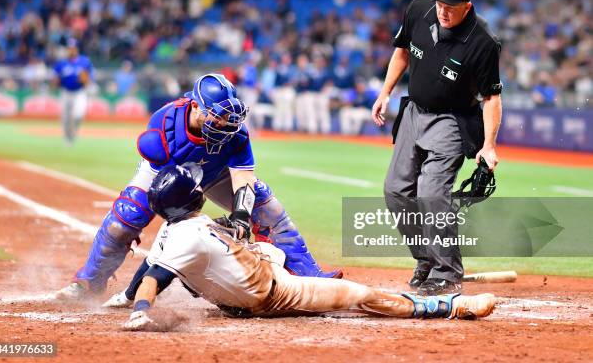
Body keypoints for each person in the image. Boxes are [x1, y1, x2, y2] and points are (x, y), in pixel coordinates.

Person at [102, 163, 495, 331]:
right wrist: (140, 310)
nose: (201, 186)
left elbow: (150, 267)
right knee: (358, 294)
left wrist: (128, 295)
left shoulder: (175, 230)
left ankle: (273, 258)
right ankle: (447, 306)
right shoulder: (184, 238)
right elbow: (155, 275)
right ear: (189, 198)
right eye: (195, 186)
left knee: (267, 247)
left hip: (261, 272)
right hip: (274, 294)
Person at [56, 73, 342, 301]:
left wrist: (242, 215)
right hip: (171, 172)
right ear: (195, 106)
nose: (224, 123)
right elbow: (162, 187)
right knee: (125, 219)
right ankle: (89, 282)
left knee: (265, 205)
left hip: (215, 173)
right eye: (216, 116)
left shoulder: (236, 132)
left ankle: (310, 274)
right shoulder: (164, 126)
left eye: (228, 117)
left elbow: (244, 177)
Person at [371, 0, 503, 295]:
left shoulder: (483, 41)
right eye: (440, 5)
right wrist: (385, 92)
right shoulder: (419, 10)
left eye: (452, 8)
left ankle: (447, 271)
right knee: (396, 191)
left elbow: (492, 98)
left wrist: (488, 146)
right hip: (414, 112)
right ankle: (426, 260)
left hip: (451, 120)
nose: (443, 12)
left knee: (431, 193)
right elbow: (402, 52)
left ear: (467, 7)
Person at [52, 39, 94, 145]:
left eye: (73, 48)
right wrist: (56, 83)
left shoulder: (84, 61)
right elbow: (55, 80)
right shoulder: (61, 63)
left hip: (79, 92)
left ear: (77, 49)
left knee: (78, 115)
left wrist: (85, 80)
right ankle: (67, 138)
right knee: (65, 118)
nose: (71, 51)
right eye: (69, 48)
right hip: (65, 92)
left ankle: (73, 133)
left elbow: (88, 78)